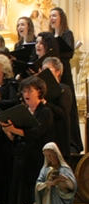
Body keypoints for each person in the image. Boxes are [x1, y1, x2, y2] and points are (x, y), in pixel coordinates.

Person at [1, 76, 54, 204]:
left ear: (39, 92)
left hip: (36, 158)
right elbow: (15, 138)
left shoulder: (45, 112)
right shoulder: (22, 111)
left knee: (31, 193)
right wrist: (8, 130)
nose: (26, 94)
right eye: (24, 91)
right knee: (18, 192)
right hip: (20, 157)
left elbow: (35, 133)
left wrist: (13, 129)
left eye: (30, 91)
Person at [49, 7, 82, 154]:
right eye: (50, 16)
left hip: (65, 72)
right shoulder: (50, 36)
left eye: (54, 15)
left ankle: (72, 142)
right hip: (52, 74)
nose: (51, 18)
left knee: (67, 106)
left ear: (61, 17)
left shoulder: (67, 33)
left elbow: (69, 52)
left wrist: (56, 50)